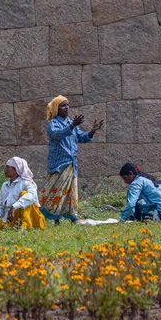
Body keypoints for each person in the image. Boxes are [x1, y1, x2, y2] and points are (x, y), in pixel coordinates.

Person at [38, 95, 104, 224]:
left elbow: (82, 137)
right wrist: (73, 125)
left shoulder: (70, 122)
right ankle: (54, 218)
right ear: (57, 108)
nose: (67, 107)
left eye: (68, 105)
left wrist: (92, 131)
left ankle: (73, 218)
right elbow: (57, 135)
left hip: (71, 164)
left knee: (71, 192)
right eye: (63, 105)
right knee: (57, 191)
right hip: (59, 164)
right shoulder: (53, 123)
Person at [0, 157, 46, 230]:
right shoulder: (5, 185)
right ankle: (15, 226)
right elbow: (1, 208)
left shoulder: (26, 183)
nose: (5, 170)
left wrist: (14, 207)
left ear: (15, 170)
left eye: (8, 167)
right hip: (11, 219)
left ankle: (25, 226)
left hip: (29, 218)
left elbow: (32, 196)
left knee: (24, 194)